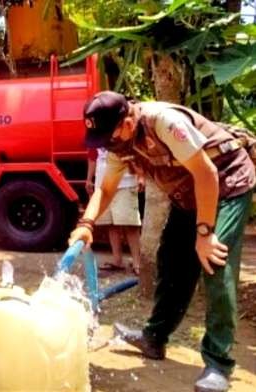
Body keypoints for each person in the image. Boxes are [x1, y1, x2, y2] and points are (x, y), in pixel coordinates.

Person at [69, 91, 255, 392]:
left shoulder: (165, 123)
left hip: (227, 181)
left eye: (109, 135)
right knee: (171, 261)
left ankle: (218, 363)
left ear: (128, 120)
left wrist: (205, 234)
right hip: (189, 193)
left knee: (214, 264)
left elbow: (206, 173)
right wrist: (86, 224)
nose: (107, 144)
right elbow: (106, 189)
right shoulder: (120, 143)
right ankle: (154, 339)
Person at [86, 147, 143, 274]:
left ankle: (137, 263)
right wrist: (89, 179)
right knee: (111, 223)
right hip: (103, 184)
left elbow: (136, 154)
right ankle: (117, 261)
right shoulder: (95, 135)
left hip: (126, 182)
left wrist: (140, 176)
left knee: (130, 224)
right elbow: (92, 156)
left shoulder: (123, 130)